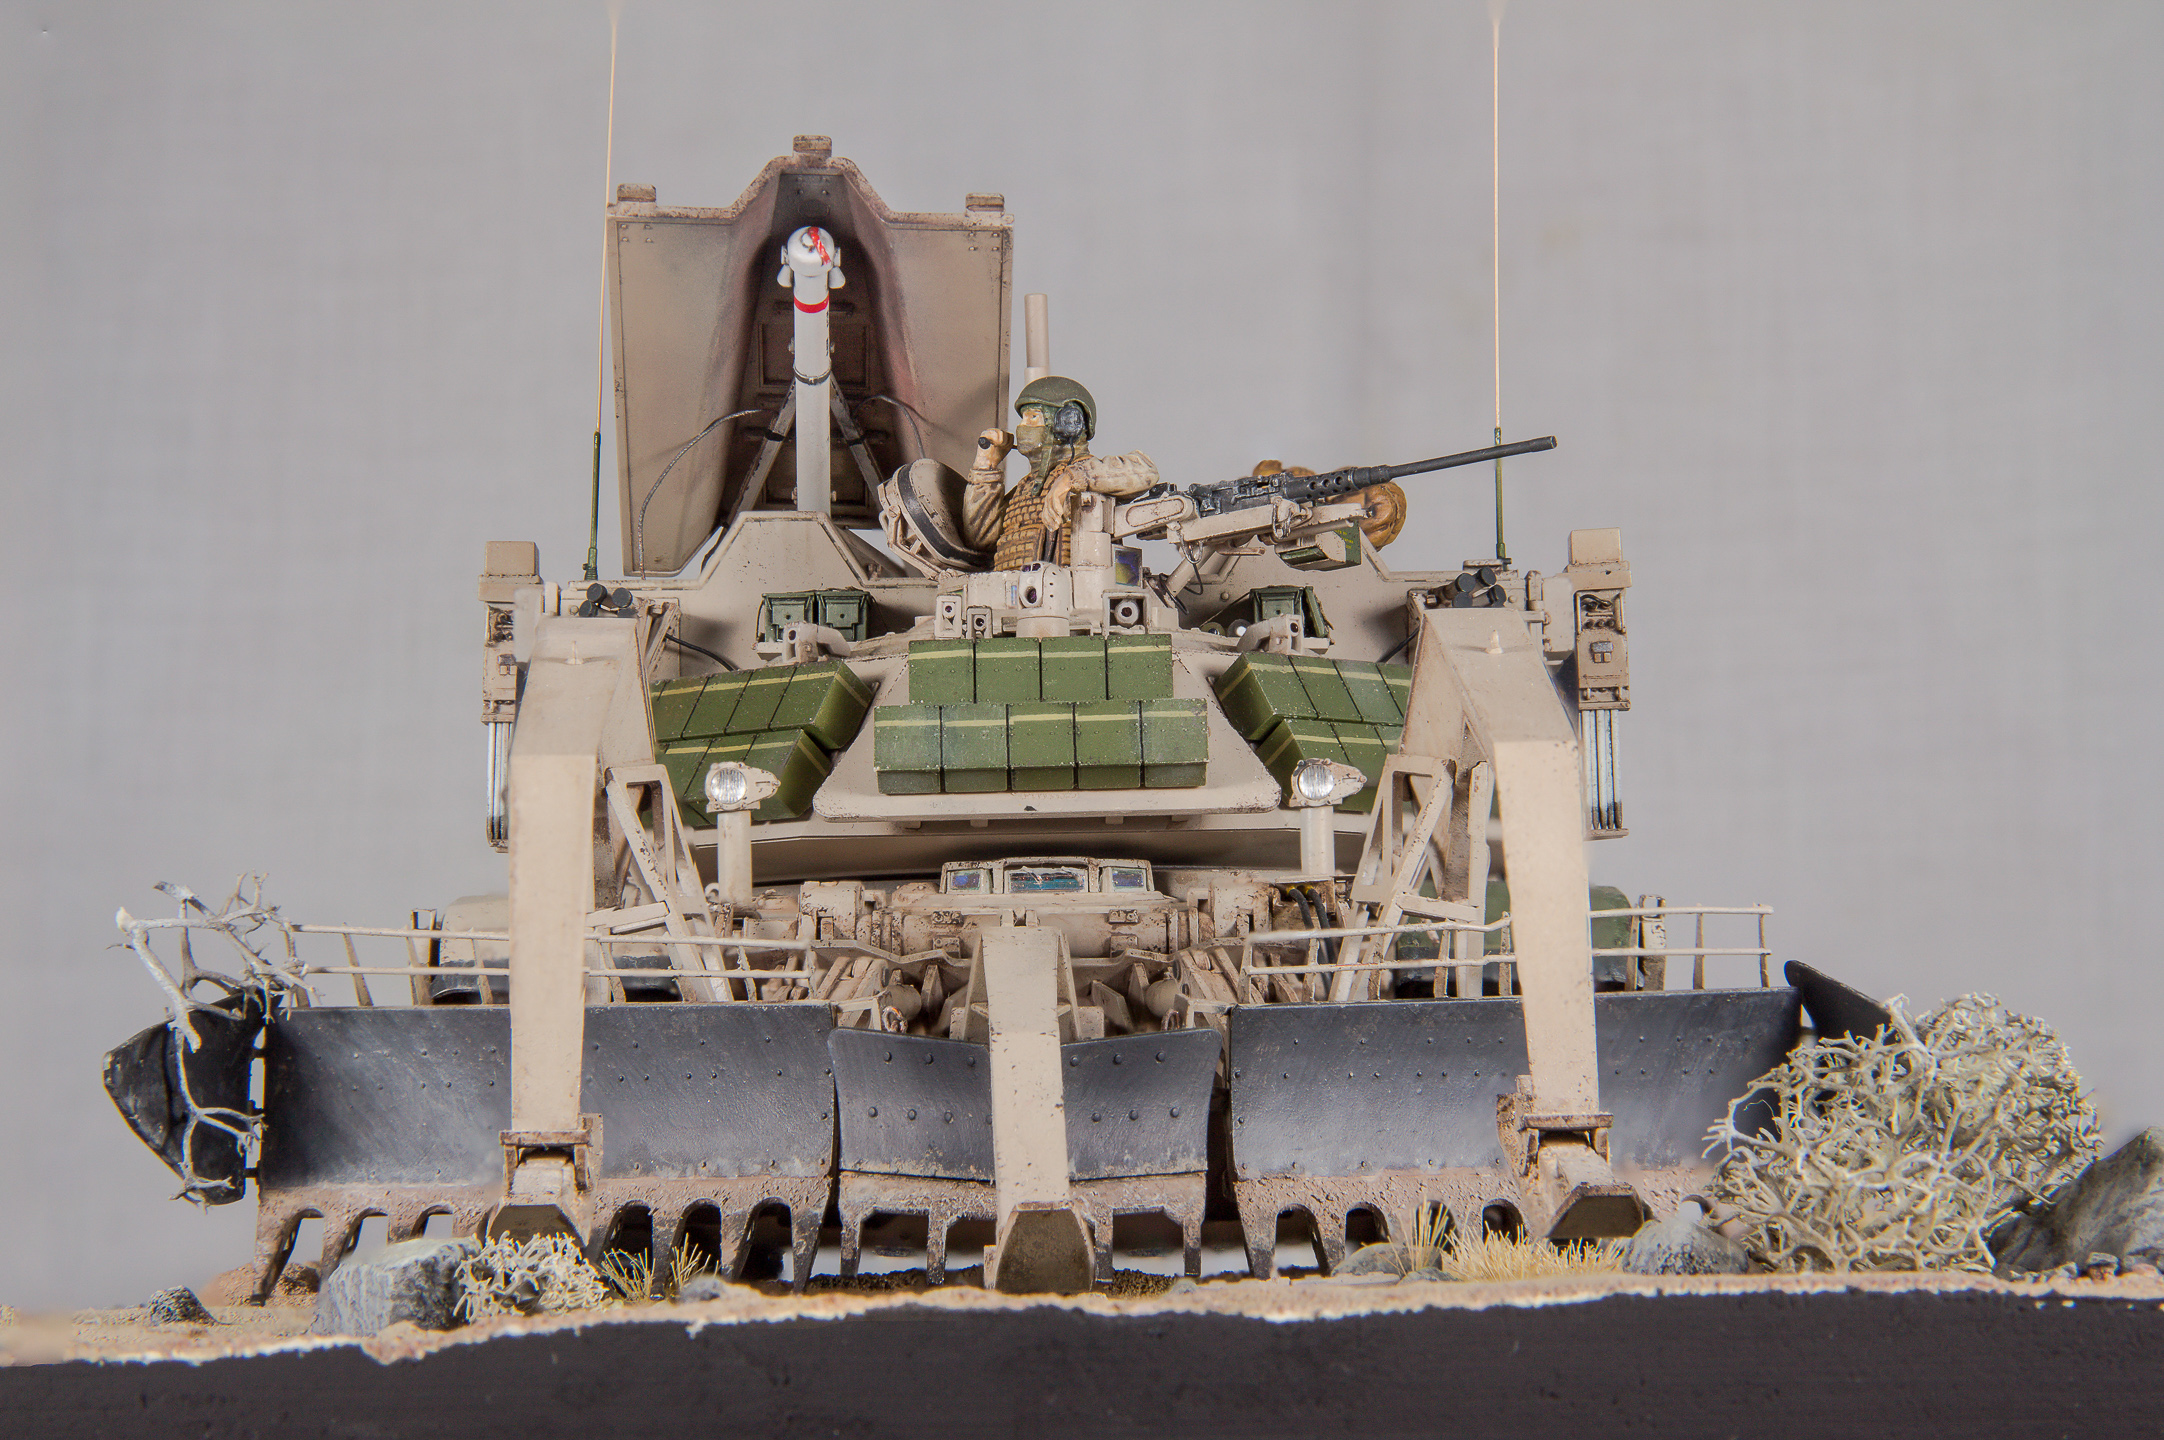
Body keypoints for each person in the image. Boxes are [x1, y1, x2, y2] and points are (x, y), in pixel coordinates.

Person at [961, 377, 1158, 569]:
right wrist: (986, 466)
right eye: (1022, 419)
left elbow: (1145, 470)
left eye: (1033, 417)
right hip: (1012, 588)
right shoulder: (1026, 489)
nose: (1022, 427)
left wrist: (1072, 478)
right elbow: (981, 538)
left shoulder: (1093, 474)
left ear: (1068, 423)